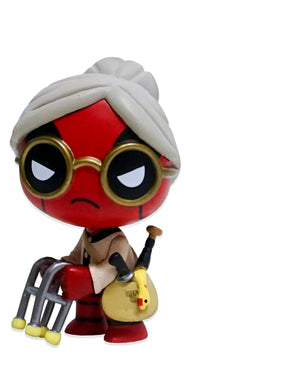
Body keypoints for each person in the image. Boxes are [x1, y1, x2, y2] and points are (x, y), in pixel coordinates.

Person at [11, 57, 180, 343]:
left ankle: (127, 328)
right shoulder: (90, 235)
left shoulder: (117, 241)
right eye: (49, 163)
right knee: (86, 296)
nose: (84, 184)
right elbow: (80, 254)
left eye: (127, 171)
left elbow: (112, 267)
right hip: (98, 277)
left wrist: (87, 277)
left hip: (121, 284)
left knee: (112, 297)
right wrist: (66, 265)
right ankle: (89, 320)